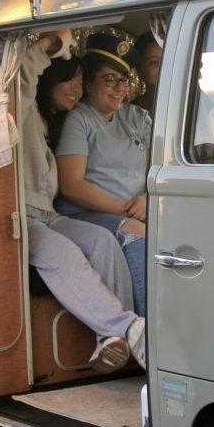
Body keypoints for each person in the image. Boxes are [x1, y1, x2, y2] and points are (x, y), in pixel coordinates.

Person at [18, 31, 145, 372]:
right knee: (64, 255)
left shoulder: (52, 121)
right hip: (23, 217)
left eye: (78, 82)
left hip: (49, 214)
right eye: (68, 81)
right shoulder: (24, 111)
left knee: (103, 242)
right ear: (50, 81)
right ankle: (129, 329)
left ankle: (113, 339)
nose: (75, 90)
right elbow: (22, 78)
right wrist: (48, 45)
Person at [56, 32, 150, 315]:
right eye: (109, 79)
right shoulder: (80, 119)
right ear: (89, 82)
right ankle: (147, 329)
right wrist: (127, 211)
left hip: (139, 209)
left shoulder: (137, 118)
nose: (119, 88)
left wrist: (147, 197)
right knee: (135, 232)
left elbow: (161, 168)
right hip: (87, 213)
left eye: (123, 80)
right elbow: (72, 185)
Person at [132, 31, 162, 114]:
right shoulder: (129, 114)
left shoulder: (192, 103)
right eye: (153, 62)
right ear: (139, 70)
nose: (163, 66)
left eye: (167, 59)